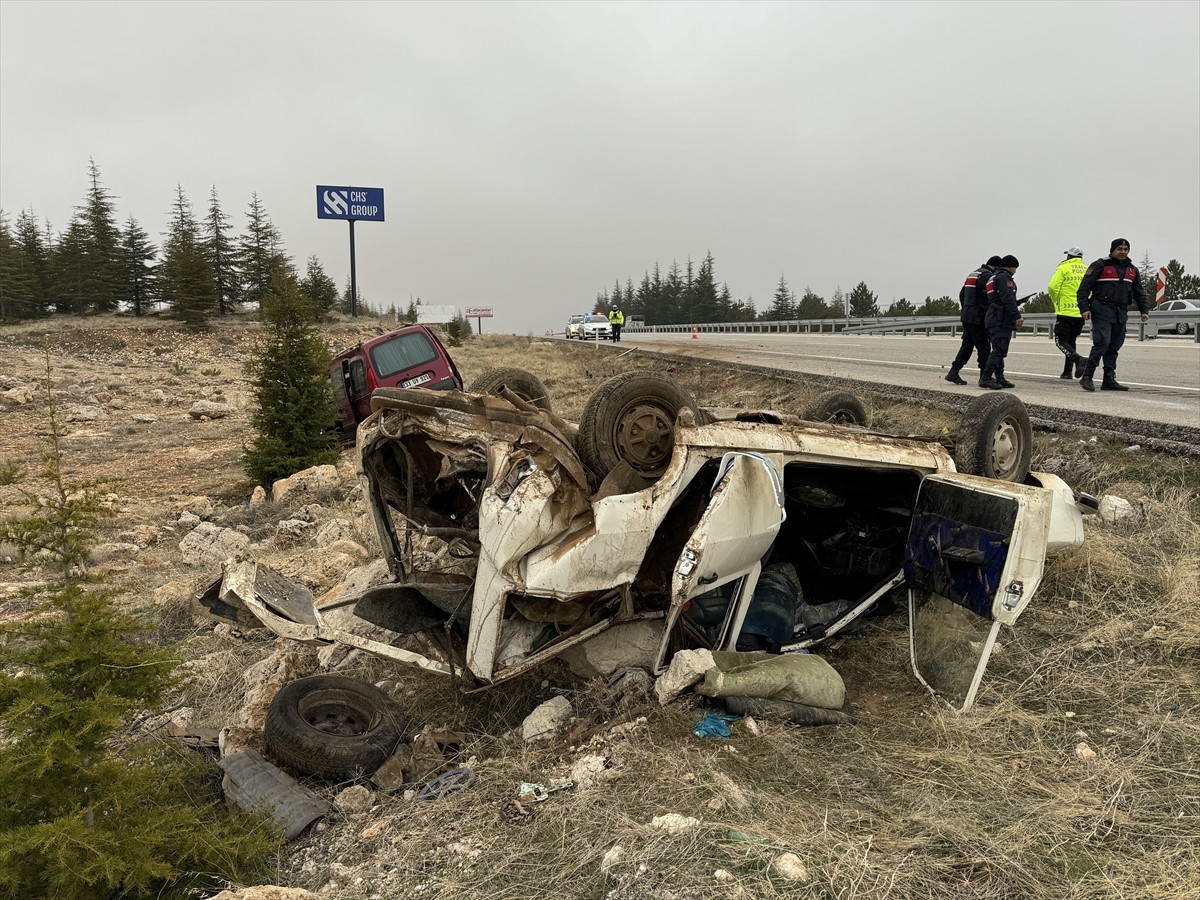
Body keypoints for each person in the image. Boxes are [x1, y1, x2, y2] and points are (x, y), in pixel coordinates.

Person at [1076, 238, 1148, 392]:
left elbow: (1139, 292)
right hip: (1101, 309)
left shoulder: (1132, 270)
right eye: (1119, 249)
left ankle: (1109, 379)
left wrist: (1144, 310)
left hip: (1120, 312)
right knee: (1102, 342)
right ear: (1112, 250)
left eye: (1125, 249)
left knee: (1115, 345)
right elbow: (1083, 289)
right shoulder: (1100, 265)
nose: (1122, 252)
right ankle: (1087, 376)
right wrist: (1084, 309)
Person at [945, 255, 1001, 385]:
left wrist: (967, 309)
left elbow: (962, 294)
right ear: (996, 268)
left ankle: (953, 372)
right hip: (978, 317)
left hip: (967, 315)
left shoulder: (974, 274)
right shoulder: (987, 276)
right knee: (984, 347)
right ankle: (984, 377)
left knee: (968, 345)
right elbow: (991, 296)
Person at [978, 255, 1023, 390]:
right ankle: (985, 378)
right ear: (1011, 266)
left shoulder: (994, 277)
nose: (1015, 271)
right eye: (1015, 268)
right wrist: (1017, 315)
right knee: (999, 350)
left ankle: (1000, 377)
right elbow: (1007, 298)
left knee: (999, 349)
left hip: (993, 316)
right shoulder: (1004, 278)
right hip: (1000, 319)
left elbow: (998, 298)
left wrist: (1018, 303)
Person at [1048, 247, 1087, 379]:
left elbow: (1052, 287)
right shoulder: (1087, 269)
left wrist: (1056, 301)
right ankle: (1067, 371)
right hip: (1080, 311)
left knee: (1060, 341)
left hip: (1065, 310)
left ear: (1069, 257)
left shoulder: (1063, 268)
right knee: (1071, 340)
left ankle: (1078, 359)